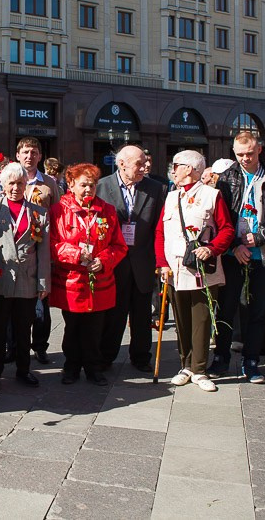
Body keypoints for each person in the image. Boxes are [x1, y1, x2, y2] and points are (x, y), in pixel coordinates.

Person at [211, 133, 265, 385]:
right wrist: (235, 244)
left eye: (249, 153)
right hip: (233, 254)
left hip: (264, 255)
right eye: (240, 154)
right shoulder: (227, 177)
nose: (245, 159)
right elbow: (219, 217)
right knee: (226, 308)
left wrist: (258, 238)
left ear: (259, 150)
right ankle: (221, 356)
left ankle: (252, 359)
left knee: (259, 311)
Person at [156, 150, 235, 392]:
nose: (173, 170)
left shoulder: (212, 196)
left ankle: (200, 369)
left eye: (177, 165)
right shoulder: (171, 197)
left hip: (202, 268)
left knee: (201, 318)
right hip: (176, 269)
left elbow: (227, 230)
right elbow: (160, 232)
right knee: (181, 319)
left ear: (190, 169)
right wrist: (162, 263)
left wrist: (212, 249)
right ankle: (186, 365)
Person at [50, 163, 128, 385]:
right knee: (72, 326)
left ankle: (94, 367)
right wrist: (76, 255)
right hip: (71, 281)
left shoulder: (107, 210)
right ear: (71, 184)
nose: (88, 190)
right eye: (83, 185)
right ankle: (71, 367)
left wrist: (103, 261)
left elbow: (118, 246)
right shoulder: (58, 211)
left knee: (95, 328)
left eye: (92, 185)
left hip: (100, 280)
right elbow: (53, 244)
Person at [96, 145, 167, 373]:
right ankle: (106, 355)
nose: (144, 167)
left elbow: (159, 227)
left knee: (142, 312)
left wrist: (160, 260)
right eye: (138, 163)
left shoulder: (156, 188)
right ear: (122, 164)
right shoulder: (102, 186)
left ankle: (140, 356)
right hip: (114, 261)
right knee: (113, 313)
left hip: (143, 259)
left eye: (145, 162)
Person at [0, 162, 51, 389]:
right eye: (11, 183)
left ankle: (23, 369)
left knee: (24, 328)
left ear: (26, 185)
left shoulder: (38, 213)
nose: (15, 188)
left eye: (20, 183)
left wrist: (43, 282)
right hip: (0, 278)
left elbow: (43, 250)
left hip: (27, 279)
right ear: (3, 184)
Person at [15, 137, 61, 365]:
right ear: (18, 155)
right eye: (25, 152)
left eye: (34, 152)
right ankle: (13, 347)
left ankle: (40, 346)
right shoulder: (12, 178)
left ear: (40, 156)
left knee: (42, 302)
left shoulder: (49, 183)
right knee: (15, 302)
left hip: (41, 248)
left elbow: (58, 214)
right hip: (16, 250)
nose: (29, 156)